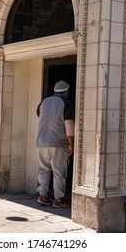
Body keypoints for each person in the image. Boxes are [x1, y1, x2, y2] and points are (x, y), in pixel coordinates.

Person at [36, 80, 74, 208]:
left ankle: (43, 196)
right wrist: (71, 144)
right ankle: (59, 199)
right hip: (58, 144)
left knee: (43, 169)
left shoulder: (44, 102)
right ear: (66, 91)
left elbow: (39, 115)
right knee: (59, 172)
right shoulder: (66, 103)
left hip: (41, 143)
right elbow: (69, 126)